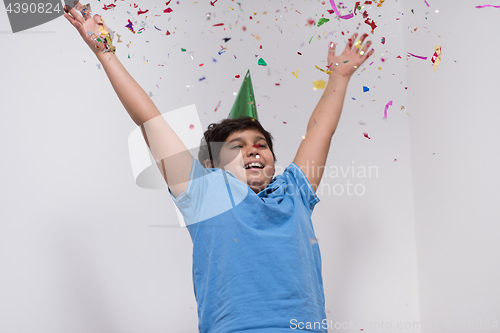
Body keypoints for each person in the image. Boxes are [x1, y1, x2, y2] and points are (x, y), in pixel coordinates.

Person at [63, 3, 373, 332]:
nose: (253, 150)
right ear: (211, 164)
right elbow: (149, 120)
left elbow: (320, 130)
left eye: (261, 144)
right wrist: (105, 52)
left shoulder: (293, 192)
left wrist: (339, 77)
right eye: (237, 146)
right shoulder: (205, 193)